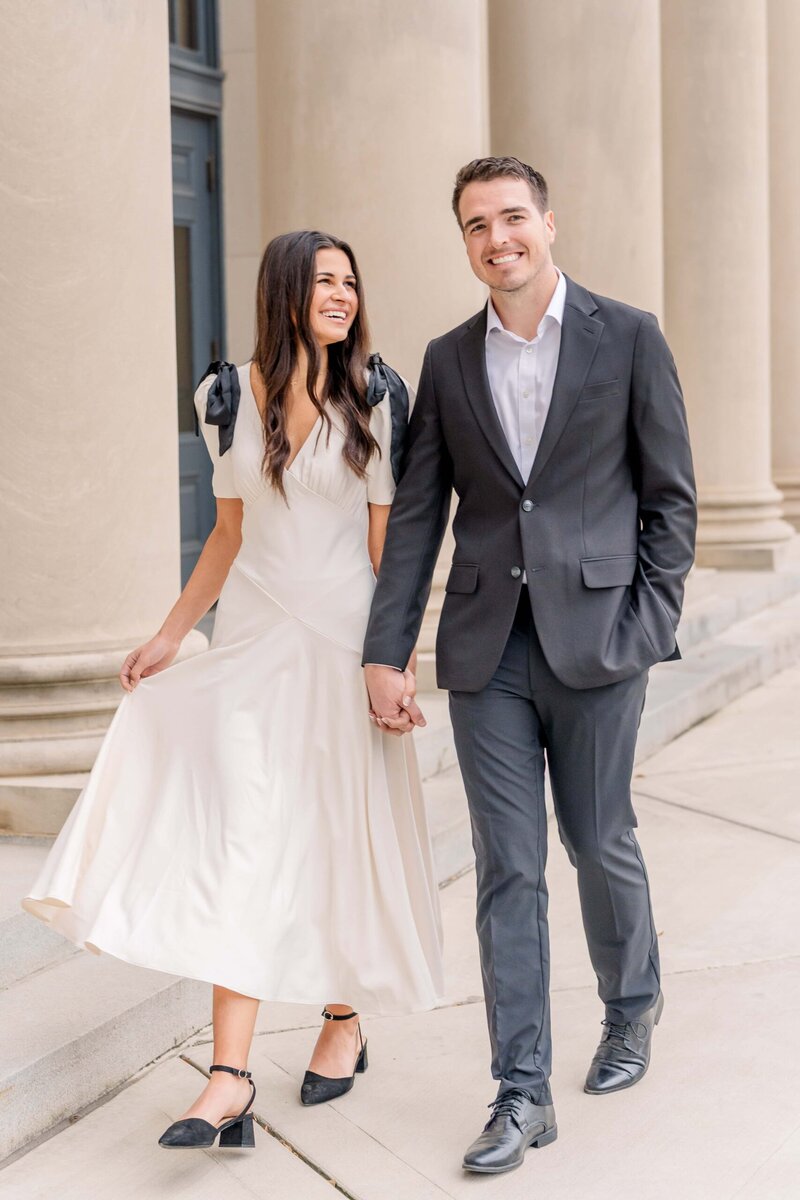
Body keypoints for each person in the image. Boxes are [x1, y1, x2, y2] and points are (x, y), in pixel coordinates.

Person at [23, 229, 443, 1150]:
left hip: (342, 650)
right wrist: (170, 636)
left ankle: (343, 1016)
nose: (342, 295)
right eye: (324, 280)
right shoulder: (225, 395)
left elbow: (388, 545)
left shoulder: (376, 395)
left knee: (334, 835)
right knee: (242, 844)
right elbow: (226, 533)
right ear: (284, 290)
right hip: (252, 651)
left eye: (349, 282)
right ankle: (230, 1077)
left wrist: (398, 659)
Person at [363, 156, 697, 1175]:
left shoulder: (626, 335)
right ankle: (520, 1090)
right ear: (464, 242)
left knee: (596, 840)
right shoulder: (447, 359)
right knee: (507, 866)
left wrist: (645, 622)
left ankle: (630, 1006)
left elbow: (669, 497)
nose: (496, 238)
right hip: (486, 650)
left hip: (598, 639)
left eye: (511, 217)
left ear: (548, 223)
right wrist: (386, 651)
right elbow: (418, 517)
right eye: (476, 225)